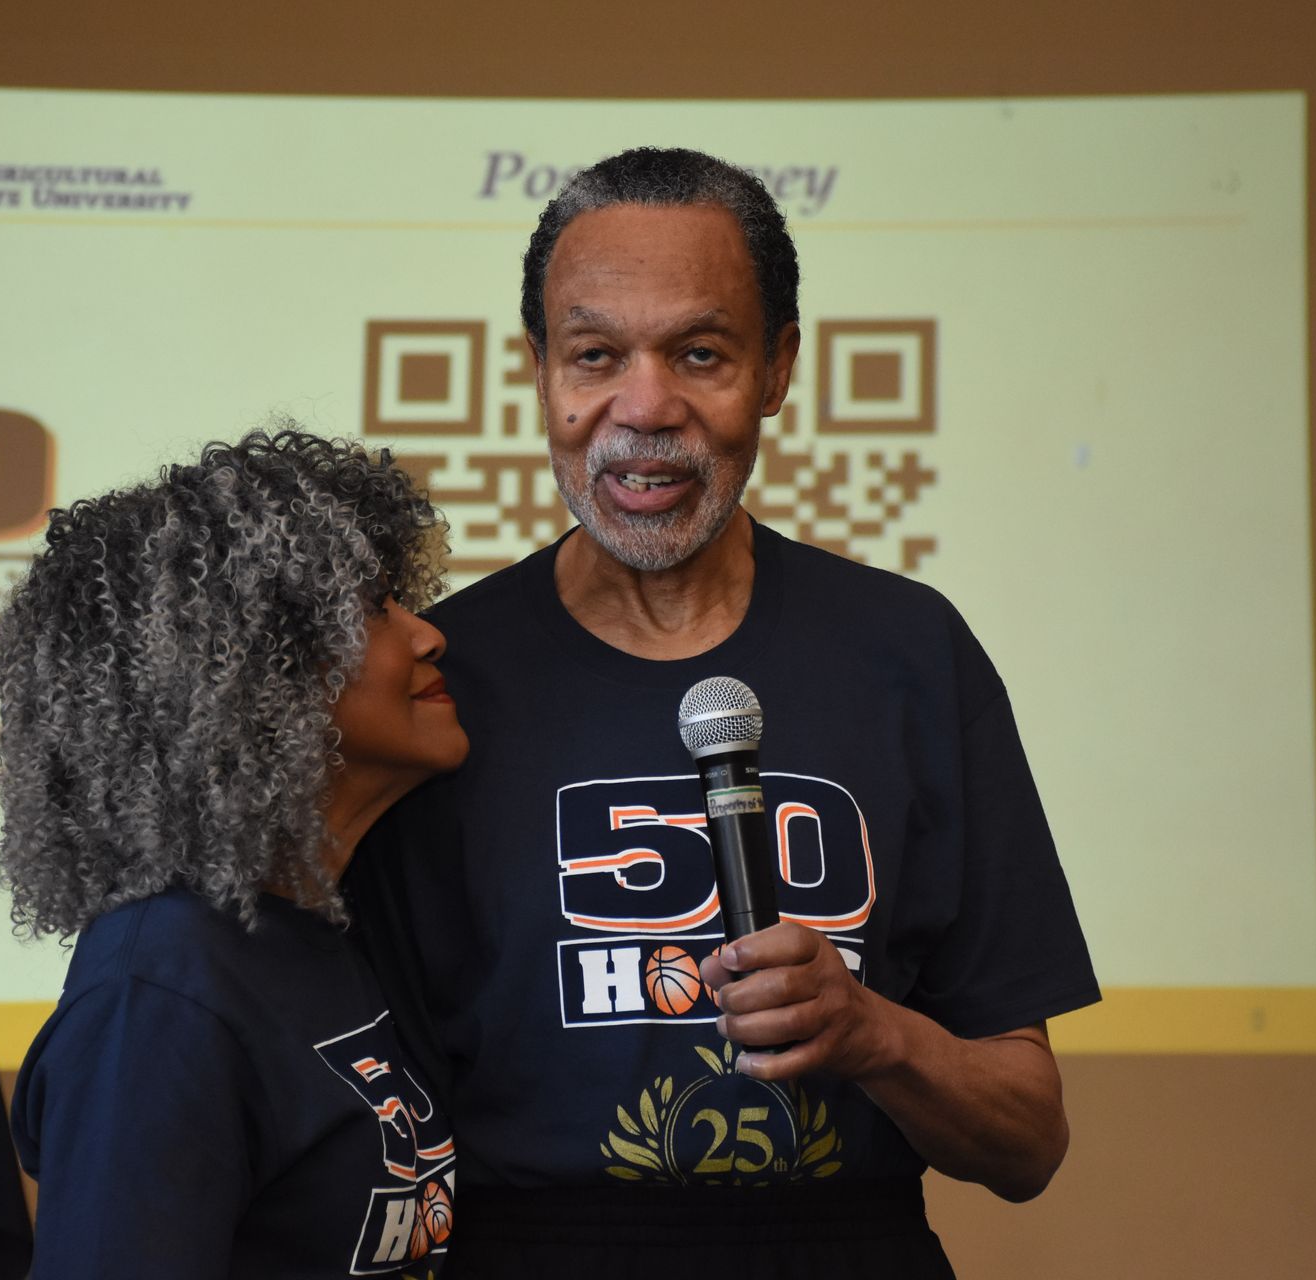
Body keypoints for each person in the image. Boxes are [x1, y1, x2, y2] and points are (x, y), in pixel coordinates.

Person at [347, 148, 1101, 1276]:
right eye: (595, 354)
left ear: (778, 367)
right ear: (540, 370)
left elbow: (1029, 1137)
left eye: (700, 353)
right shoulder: (436, 686)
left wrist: (874, 1032)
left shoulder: (909, 653)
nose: (644, 408)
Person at [0, 429, 467, 1279]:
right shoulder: (160, 990)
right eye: (375, 609)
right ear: (256, 677)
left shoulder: (320, 930)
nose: (427, 636)